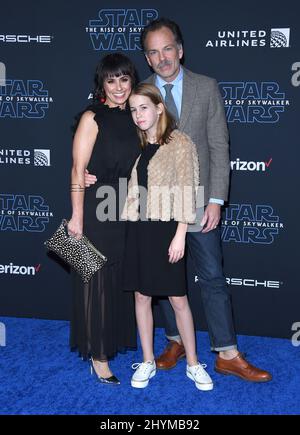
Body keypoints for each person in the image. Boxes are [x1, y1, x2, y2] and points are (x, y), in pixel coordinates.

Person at [85, 19, 272, 383]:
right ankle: (174, 343)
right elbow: (112, 140)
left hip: (197, 203)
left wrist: (217, 199)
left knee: (212, 277)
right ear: (147, 58)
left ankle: (227, 352)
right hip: (148, 212)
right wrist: (87, 175)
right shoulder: (139, 94)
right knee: (159, 282)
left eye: (167, 48)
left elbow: (219, 145)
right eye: (153, 52)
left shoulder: (206, 87)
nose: (162, 57)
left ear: (180, 49)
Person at [122, 83, 213, 391]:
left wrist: (180, 235)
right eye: (133, 110)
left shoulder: (180, 142)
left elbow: (189, 189)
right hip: (139, 228)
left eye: (143, 107)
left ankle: (193, 364)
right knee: (141, 296)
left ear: (159, 108)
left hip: (167, 229)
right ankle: (147, 360)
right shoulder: (139, 144)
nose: (138, 115)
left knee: (178, 299)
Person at [67, 53, 140, 385]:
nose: (118, 87)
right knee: (96, 280)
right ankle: (98, 356)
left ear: (131, 80)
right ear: (102, 84)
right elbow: (77, 171)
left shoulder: (141, 114)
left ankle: (112, 342)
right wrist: (76, 218)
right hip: (99, 206)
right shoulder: (91, 117)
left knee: (121, 279)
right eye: (111, 81)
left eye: (124, 79)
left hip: (131, 206)